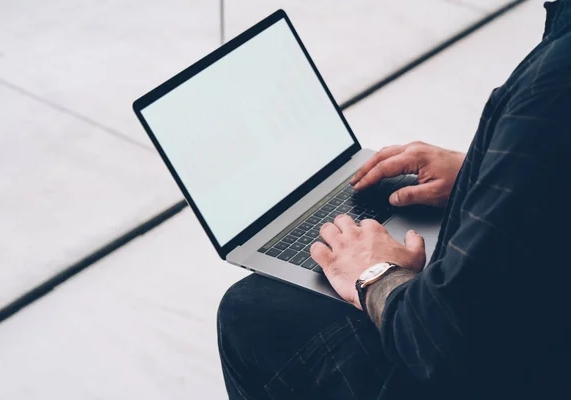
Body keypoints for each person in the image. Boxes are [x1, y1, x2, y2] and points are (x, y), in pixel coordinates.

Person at [217, 1, 571, 399]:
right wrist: (483, 173)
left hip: (520, 371)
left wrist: (374, 273)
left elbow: (438, 339)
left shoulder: (553, 86)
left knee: (250, 309)